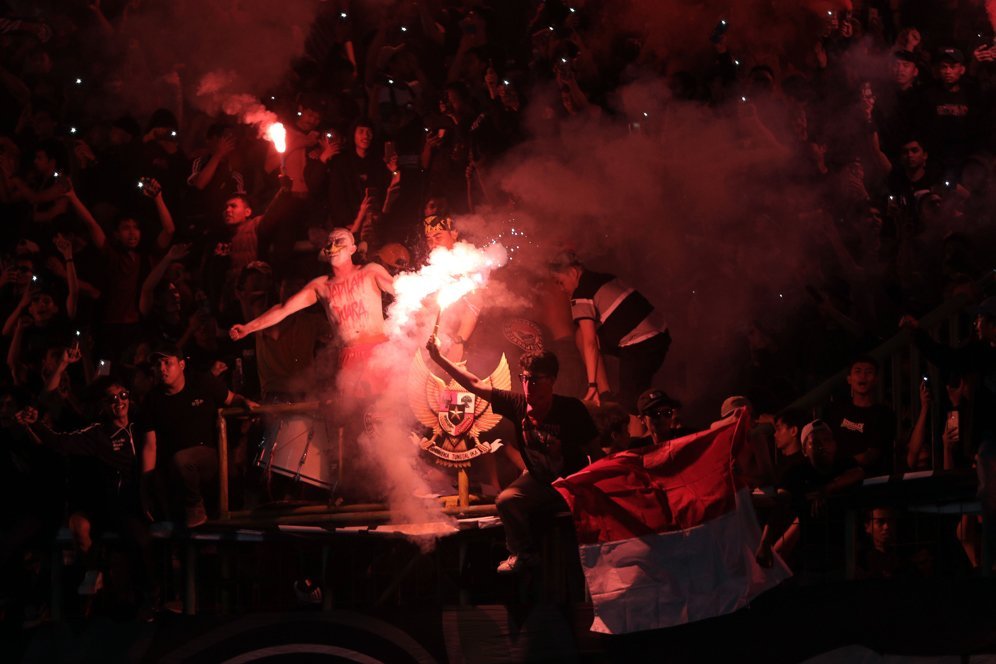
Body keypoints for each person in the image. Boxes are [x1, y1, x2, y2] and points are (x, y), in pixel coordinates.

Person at [426, 337, 599, 573]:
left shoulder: (571, 409)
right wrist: (438, 359)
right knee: (507, 500)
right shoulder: (516, 404)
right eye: (524, 378)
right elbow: (475, 384)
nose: (528, 386)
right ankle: (524, 554)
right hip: (539, 480)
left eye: (535, 380)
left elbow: (595, 452)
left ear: (552, 380)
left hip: (571, 481)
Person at [16, 380, 157, 616]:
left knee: (143, 541)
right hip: (115, 505)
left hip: (144, 499)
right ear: (103, 405)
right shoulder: (98, 433)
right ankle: (100, 583)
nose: (120, 402)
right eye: (113, 399)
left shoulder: (141, 422)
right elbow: (61, 442)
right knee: (97, 529)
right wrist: (36, 425)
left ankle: (150, 598)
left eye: (123, 395)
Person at [229, 228, 394, 401]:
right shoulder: (321, 286)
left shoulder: (370, 271)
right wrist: (248, 327)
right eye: (330, 242)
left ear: (352, 249)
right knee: (354, 419)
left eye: (340, 241)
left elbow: (401, 290)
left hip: (377, 352)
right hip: (348, 357)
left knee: (384, 412)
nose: (334, 245)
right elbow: (284, 309)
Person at [141, 343, 257, 528]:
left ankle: (195, 508)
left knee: (184, 460)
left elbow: (231, 398)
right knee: (162, 476)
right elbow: (150, 445)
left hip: (209, 458)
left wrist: (245, 402)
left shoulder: (202, 381)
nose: (161, 369)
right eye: (157, 365)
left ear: (181, 365)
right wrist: (145, 488)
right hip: (175, 467)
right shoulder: (152, 399)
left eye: (166, 363)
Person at [548, 251, 670, 412]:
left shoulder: (581, 294)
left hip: (640, 344)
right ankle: (606, 394)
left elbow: (590, 342)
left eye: (560, 282)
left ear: (572, 272)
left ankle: (637, 434)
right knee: (581, 335)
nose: (562, 289)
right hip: (661, 334)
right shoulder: (606, 278)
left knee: (630, 406)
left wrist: (592, 385)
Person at [823, 355, 896, 475]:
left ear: (876, 379)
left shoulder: (884, 414)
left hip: (869, 479)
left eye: (869, 372)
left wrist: (840, 464)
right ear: (849, 379)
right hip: (835, 475)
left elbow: (872, 454)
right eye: (858, 371)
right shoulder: (836, 409)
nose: (863, 376)